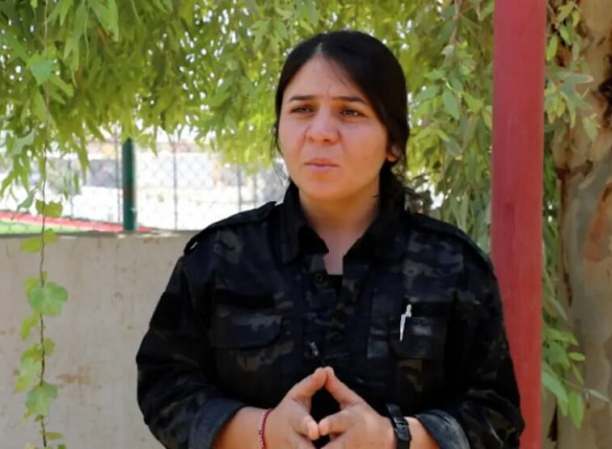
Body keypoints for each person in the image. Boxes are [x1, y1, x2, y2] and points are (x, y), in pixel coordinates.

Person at [136, 30, 524, 449]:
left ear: (393, 142)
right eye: (302, 109)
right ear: (279, 129)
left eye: (350, 112)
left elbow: (495, 414)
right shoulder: (222, 257)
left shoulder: (452, 265)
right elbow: (165, 386)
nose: (320, 132)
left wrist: (393, 438)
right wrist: (262, 431)